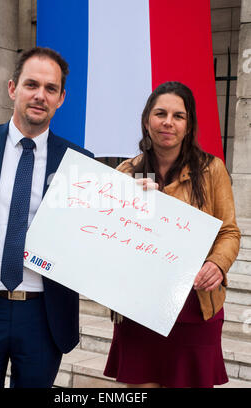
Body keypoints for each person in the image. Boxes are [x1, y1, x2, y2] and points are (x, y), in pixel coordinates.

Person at [0, 46, 94, 388]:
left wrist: (138, 199)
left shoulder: (80, 162)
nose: (40, 95)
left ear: (61, 98)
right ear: (13, 88)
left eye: (50, 89)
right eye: (32, 84)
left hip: (43, 315)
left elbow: (93, 238)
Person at [103, 81, 240, 388]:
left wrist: (217, 264)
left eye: (178, 116)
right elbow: (107, 240)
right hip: (139, 308)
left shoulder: (212, 169)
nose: (168, 122)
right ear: (146, 120)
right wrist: (127, 204)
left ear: (188, 124)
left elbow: (229, 231)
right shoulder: (126, 174)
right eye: (160, 113)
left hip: (195, 306)